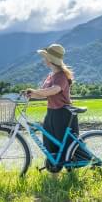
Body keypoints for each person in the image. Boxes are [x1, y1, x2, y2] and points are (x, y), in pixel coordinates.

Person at [23, 44, 77, 173]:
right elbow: (44, 93)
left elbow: (54, 90)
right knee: (50, 145)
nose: (43, 60)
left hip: (63, 115)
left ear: (51, 60)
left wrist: (36, 91)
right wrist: (30, 94)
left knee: (67, 147)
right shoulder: (51, 76)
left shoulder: (62, 76)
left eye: (45, 57)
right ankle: (54, 174)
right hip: (51, 113)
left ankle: (72, 174)